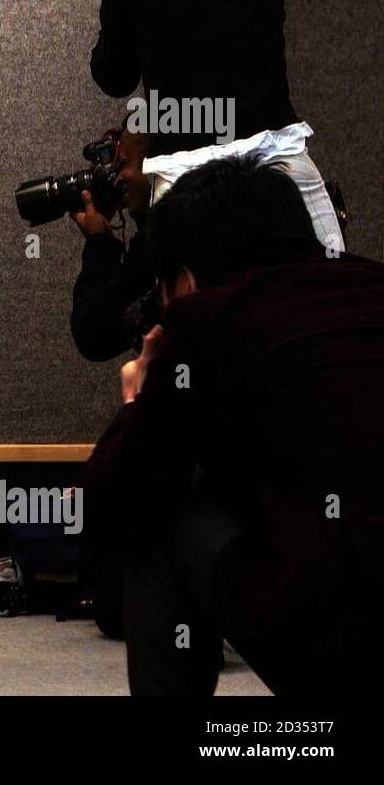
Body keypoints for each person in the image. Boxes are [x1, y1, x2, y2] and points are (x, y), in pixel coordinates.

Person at [82, 155, 384, 694]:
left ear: (187, 280)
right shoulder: (368, 284)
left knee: (160, 510)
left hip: (345, 637)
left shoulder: (207, 320)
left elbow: (113, 498)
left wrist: (137, 401)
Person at [82, 0, 344, 253]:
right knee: (320, 304)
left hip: (188, 186)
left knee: (202, 317)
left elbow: (113, 76)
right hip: (284, 173)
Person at [69, 118, 154, 361]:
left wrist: (100, 244)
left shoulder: (162, 239)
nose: (116, 180)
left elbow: (94, 332)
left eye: (123, 165)